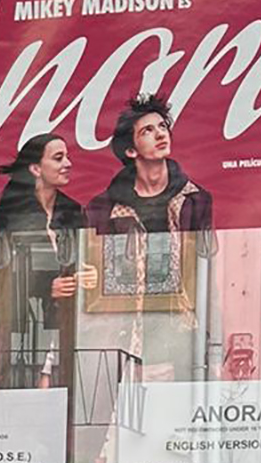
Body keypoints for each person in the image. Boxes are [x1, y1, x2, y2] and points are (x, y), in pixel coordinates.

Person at [0, 131, 96, 389]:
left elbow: (90, 263)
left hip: (69, 333)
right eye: (58, 158)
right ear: (36, 168)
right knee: (23, 417)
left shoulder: (73, 213)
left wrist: (92, 276)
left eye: (67, 157)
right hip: (22, 339)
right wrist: (43, 288)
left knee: (68, 416)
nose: (68, 163)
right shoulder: (7, 218)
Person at [84, 92, 212, 305]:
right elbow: (92, 270)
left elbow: (209, 268)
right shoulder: (102, 208)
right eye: (148, 131)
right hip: (120, 318)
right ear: (131, 150)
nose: (161, 135)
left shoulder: (195, 200)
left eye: (163, 127)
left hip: (180, 318)